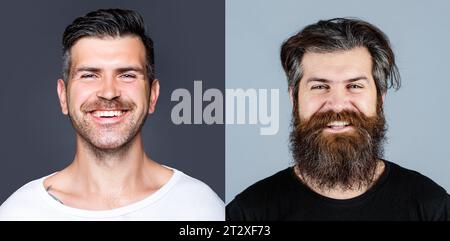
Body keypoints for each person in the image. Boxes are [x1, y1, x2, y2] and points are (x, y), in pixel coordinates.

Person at [0, 8, 224, 221]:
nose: (108, 92)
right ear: (63, 96)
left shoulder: (200, 208)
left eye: (127, 75)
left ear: (153, 95)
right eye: (89, 75)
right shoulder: (19, 212)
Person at [226, 18, 450, 221]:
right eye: (320, 86)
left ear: (380, 99)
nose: (337, 103)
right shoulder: (248, 213)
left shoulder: (432, 208)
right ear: (294, 99)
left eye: (354, 86)